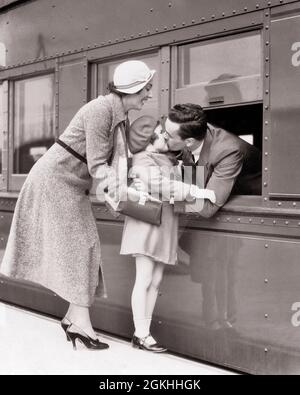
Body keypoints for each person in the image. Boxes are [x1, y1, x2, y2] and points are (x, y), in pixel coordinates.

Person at [0, 60, 155, 350]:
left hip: (71, 185)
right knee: (83, 246)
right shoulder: (100, 110)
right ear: (131, 90)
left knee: (86, 246)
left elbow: (116, 165)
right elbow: (99, 166)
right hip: (54, 182)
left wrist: (129, 187)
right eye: (146, 88)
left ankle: (75, 318)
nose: (148, 94)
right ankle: (81, 323)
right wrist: (127, 194)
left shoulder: (117, 114)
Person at [119, 116, 216, 352]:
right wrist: (197, 190)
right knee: (144, 279)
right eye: (162, 133)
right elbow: (161, 186)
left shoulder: (167, 158)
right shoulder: (143, 159)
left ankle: (143, 333)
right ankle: (141, 334)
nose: (167, 137)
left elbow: (177, 180)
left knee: (155, 281)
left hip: (163, 225)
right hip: (147, 225)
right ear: (148, 138)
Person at [163, 103, 262, 217]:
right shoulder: (192, 133)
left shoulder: (228, 151)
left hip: (248, 197)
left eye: (168, 135)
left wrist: (160, 198)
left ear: (189, 142)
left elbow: (207, 207)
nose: (163, 136)